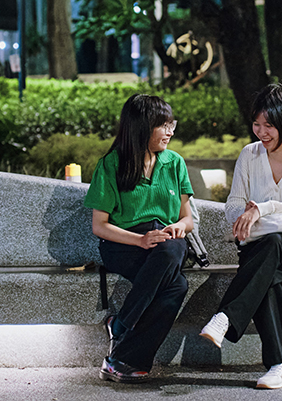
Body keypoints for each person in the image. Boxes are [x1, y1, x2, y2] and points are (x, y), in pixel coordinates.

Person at [199, 83, 282, 389]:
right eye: (257, 124)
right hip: (258, 243)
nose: (261, 132)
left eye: (269, 126)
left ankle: (226, 316)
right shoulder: (249, 154)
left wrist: (261, 209)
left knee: (270, 248)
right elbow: (233, 204)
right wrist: (243, 217)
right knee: (263, 271)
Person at [85, 94, 194, 384]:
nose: (170, 132)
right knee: (177, 285)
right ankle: (124, 354)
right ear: (141, 127)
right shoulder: (111, 165)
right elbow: (100, 226)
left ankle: (121, 330)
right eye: (163, 125)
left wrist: (179, 228)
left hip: (166, 240)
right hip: (124, 245)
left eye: (172, 124)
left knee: (171, 251)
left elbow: (188, 219)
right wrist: (139, 240)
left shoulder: (174, 163)